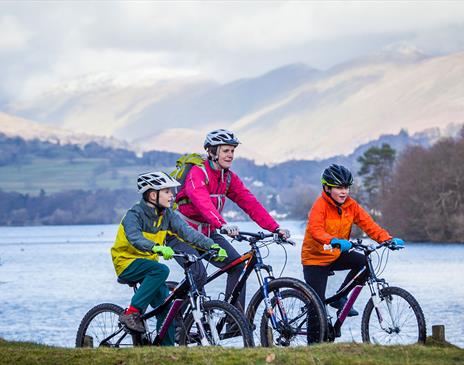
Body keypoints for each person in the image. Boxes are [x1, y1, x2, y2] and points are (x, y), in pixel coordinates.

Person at [171, 128, 290, 310]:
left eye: (233, 151)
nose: (231, 155)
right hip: (181, 233)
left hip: (208, 232)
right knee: (198, 273)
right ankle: (184, 323)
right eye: (226, 150)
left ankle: (233, 321)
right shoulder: (198, 173)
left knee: (235, 265)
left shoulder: (227, 178)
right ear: (212, 152)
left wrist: (275, 228)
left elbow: (251, 204)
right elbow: (202, 203)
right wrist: (222, 225)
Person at [110, 171, 226, 345]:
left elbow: (188, 233)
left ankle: (167, 352)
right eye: (167, 191)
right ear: (152, 194)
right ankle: (131, 313)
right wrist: (156, 247)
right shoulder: (134, 214)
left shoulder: (167, 215)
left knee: (167, 309)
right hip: (126, 262)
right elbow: (135, 238)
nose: (173, 195)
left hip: (148, 266)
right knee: (162, 270)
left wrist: (212, 245)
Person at [301, 164, 404, 316]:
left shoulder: (351, 206)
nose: (344, 192)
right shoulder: (319, 206)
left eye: (346, 187)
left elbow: (368, 225)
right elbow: (316, 230)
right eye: (339, 188)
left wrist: (387, 240)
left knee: (363, 263)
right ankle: (315, 340)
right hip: (315, 259)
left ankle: (340, 297)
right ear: (327, 188)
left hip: (336, 254)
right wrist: (333, 241)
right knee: (317, 308)